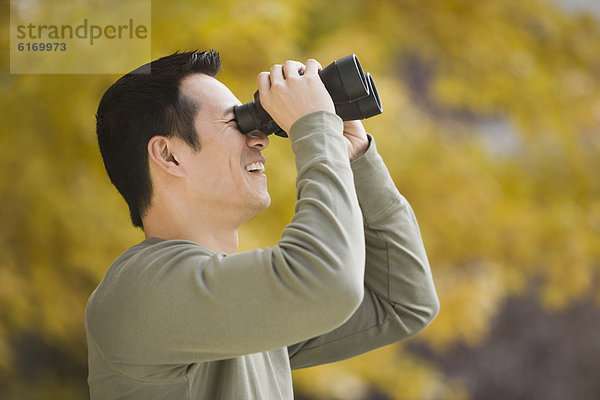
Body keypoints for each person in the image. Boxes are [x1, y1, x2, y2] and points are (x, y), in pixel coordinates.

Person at [86, 49, 439, 399]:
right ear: (168, 154)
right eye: (235, 122)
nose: (260, 138)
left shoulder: (226, 307)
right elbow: (329, 285)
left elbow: (401, 303)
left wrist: (354, 155)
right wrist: (313, 128)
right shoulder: (140, 292)